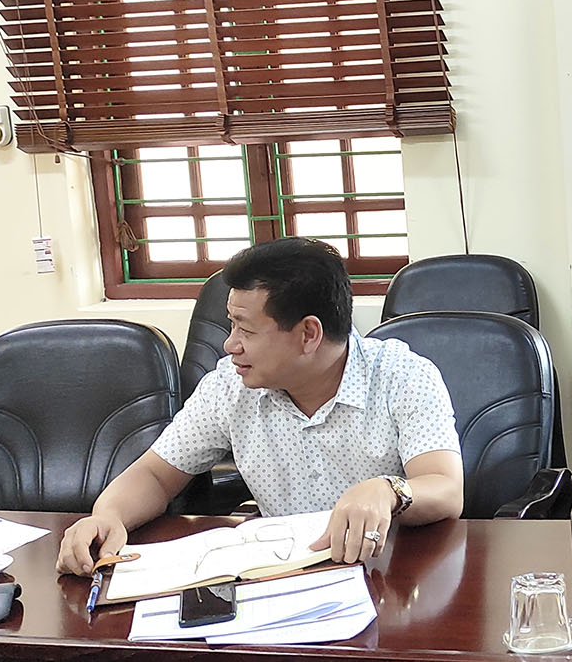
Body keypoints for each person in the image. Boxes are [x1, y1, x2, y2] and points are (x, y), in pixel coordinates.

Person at [56, 237, 463, 575]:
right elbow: (156, 474)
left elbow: (445, 488)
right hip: (281, 577)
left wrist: (389, 490)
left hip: (391, 574)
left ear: (308, 334)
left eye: (245, 329)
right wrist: (107, 515)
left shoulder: (402, 376)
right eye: (230, 324)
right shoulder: (230, 385)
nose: (229, 344)